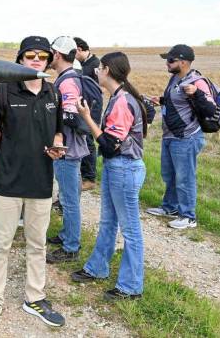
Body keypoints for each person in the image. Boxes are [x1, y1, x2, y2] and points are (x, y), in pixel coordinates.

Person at [0, 36, 66, 330]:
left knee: (37, 244)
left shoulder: (53, 93)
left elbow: (58, 133)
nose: (37, 59)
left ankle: (35, 298)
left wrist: (57, 146)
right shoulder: (2, 91)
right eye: (30, 55)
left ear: (48, 59)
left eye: (43, 55)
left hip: (41, 182)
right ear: (20, 59)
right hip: (7, 183)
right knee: (1, 244)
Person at [70, 52, 150, 300]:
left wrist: (86, 117)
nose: (96, 72)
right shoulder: (119, 97)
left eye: (99, 68)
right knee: (108, 222)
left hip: (124, 169)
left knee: (130, 230)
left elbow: (108, 145)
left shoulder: (123, 102)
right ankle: (97, 268)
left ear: (107, 70)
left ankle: (131, 287)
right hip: (118, 168)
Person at [145, 45, 215, 229]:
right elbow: (175, 101)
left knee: (185, 178)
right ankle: (170, 208)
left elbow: (210, 109)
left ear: (183, 62)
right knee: (170, 175)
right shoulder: (174, 78)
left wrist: (197, 92)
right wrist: (160, 100)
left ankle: (188, 217)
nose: (166, 63)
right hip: (170, 136)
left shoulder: (197, 81)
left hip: (187, 138)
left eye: (170, 60)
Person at [46, 36, 90, 264]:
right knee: (66, 196)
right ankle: (66, 235)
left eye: (49, 53)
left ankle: (71, 247)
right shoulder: (68, 78)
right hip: (70, 147)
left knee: (69, 200)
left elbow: (72, 115)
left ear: (57, 55)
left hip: (68, 150)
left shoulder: (67, 82)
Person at [74, 37, 101, 191]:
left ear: (79, 49)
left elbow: (97, 92)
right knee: (83, 141)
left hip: (90, 111)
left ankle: (90, 179)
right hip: (83, 110)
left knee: (89, 143)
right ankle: (83, 174)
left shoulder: (95, 65)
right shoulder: (84, 64)